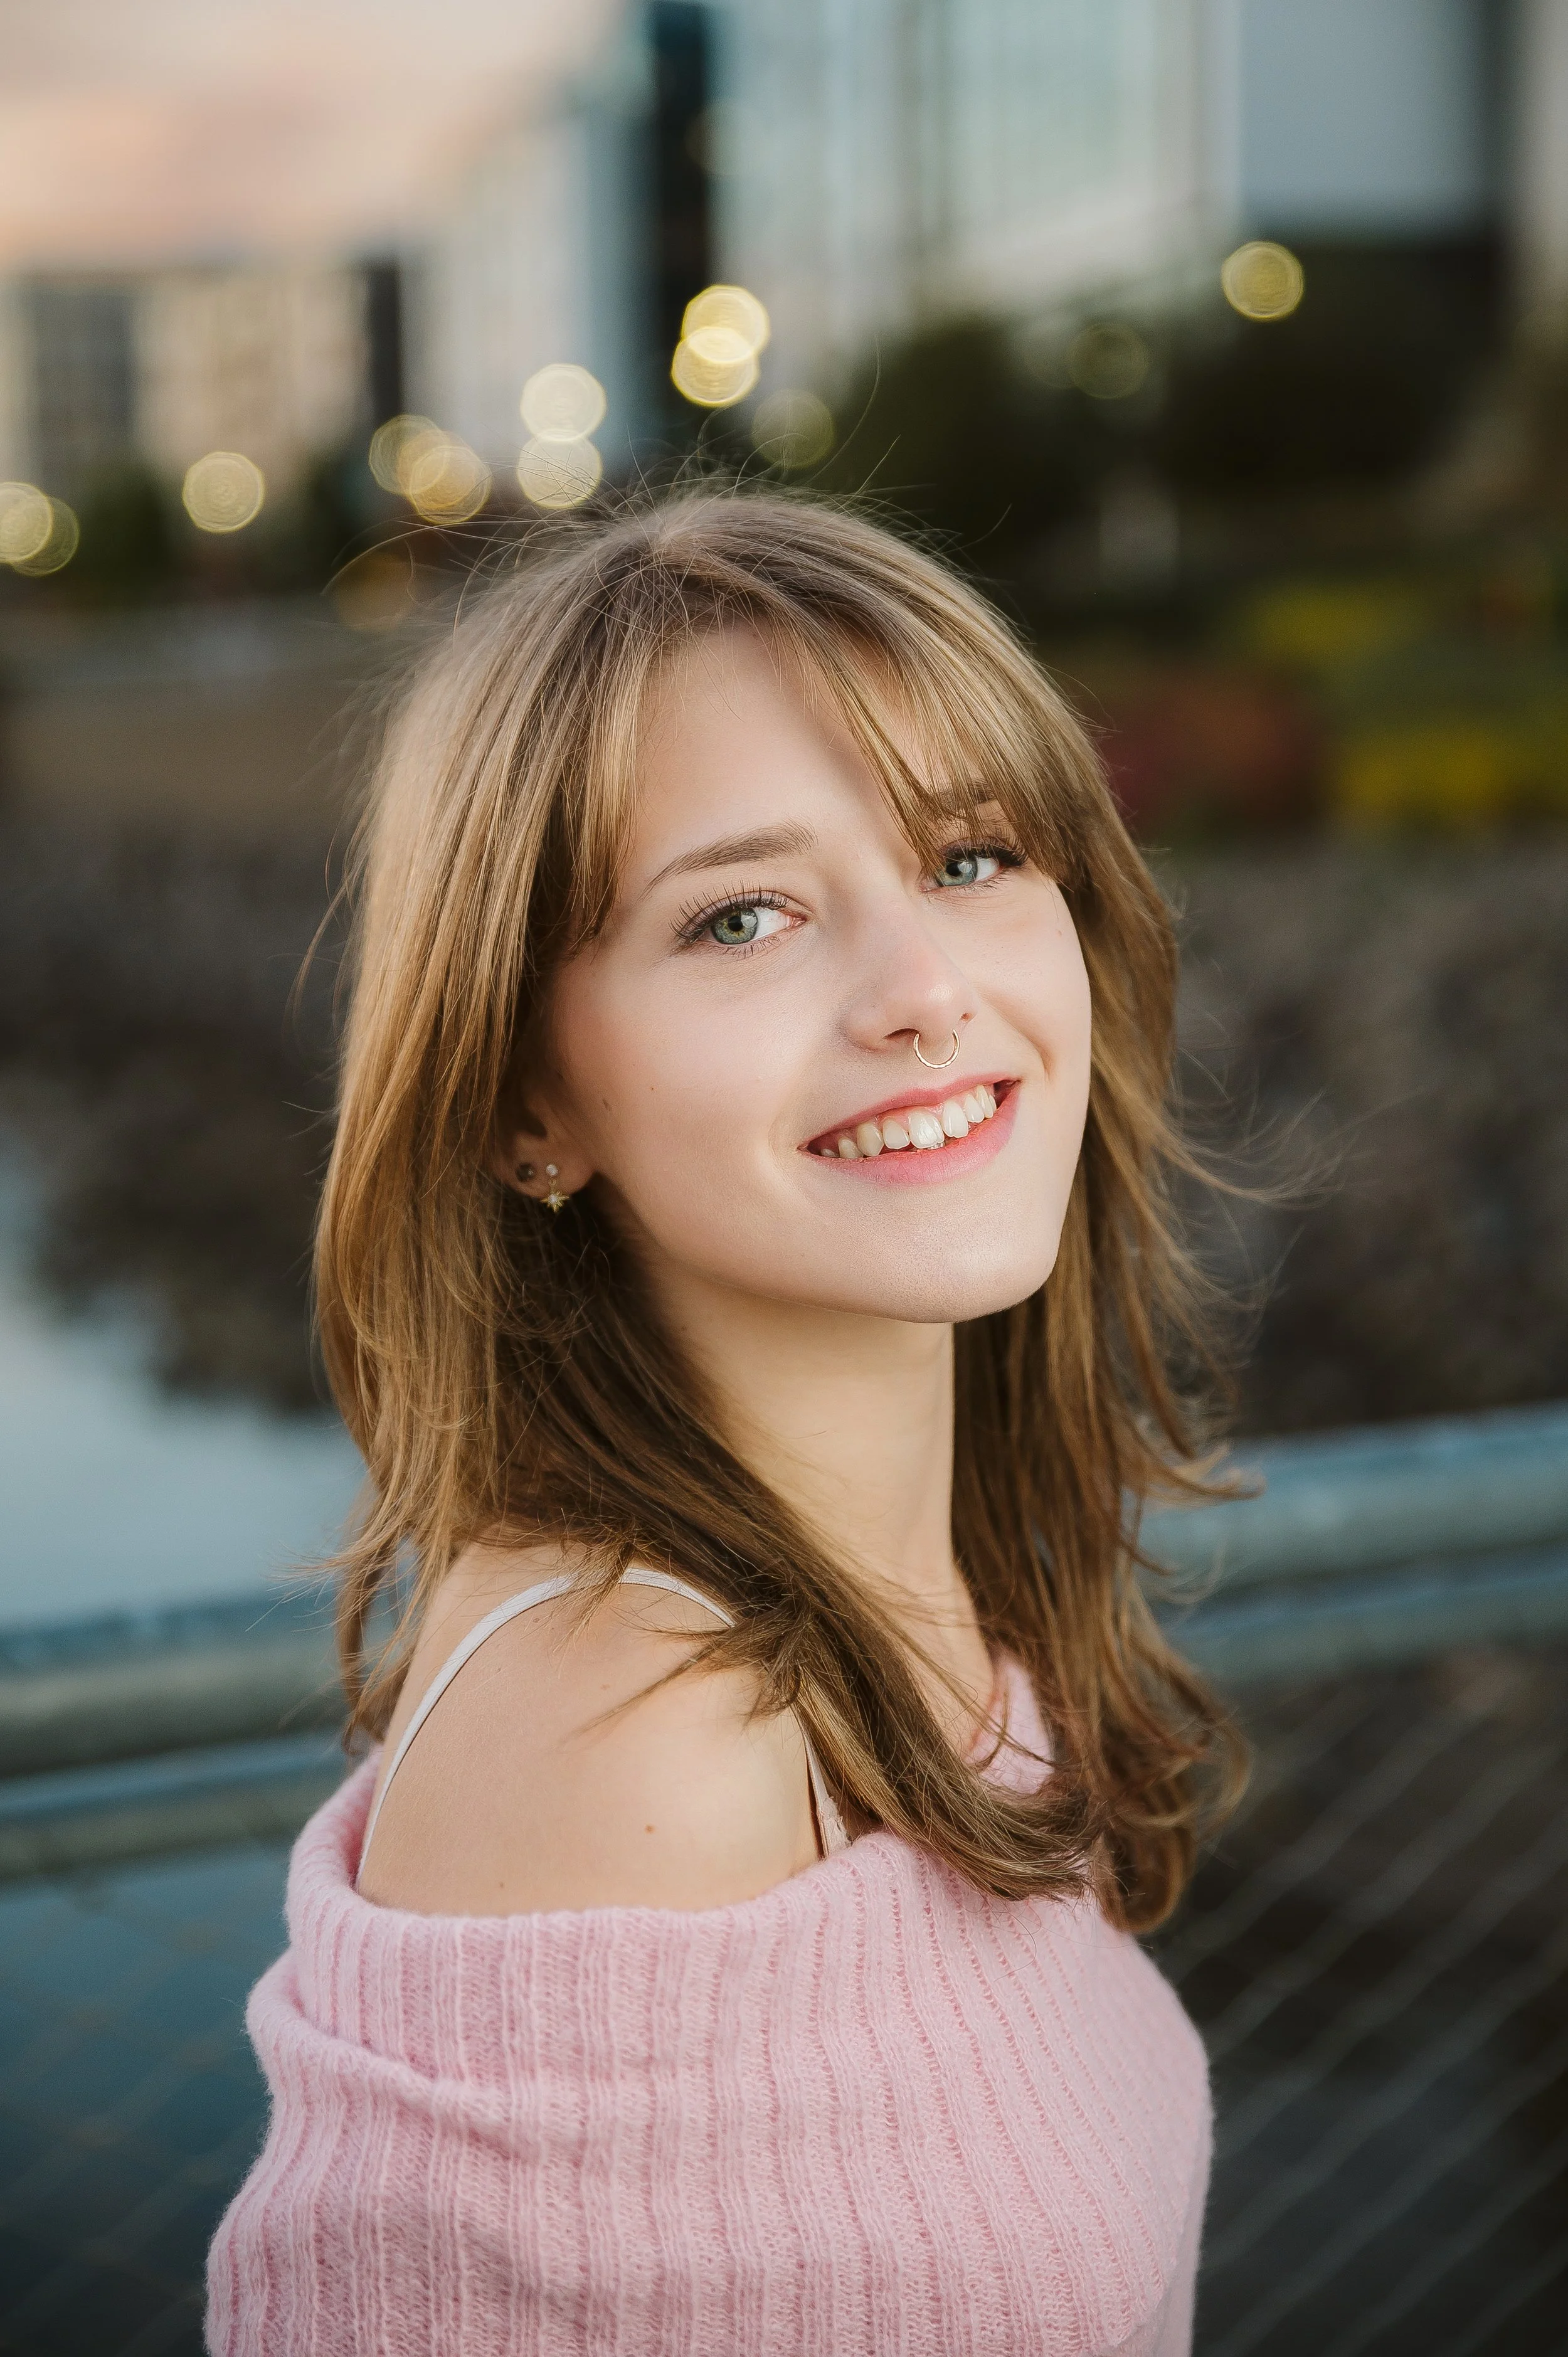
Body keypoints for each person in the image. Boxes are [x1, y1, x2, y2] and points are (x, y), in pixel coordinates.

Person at [207, 491, 1239, 2356]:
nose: (927, 990)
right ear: (526, 1099)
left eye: (972, 855)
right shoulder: (639, 1729)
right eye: (743, 915)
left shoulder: (924, 1588)